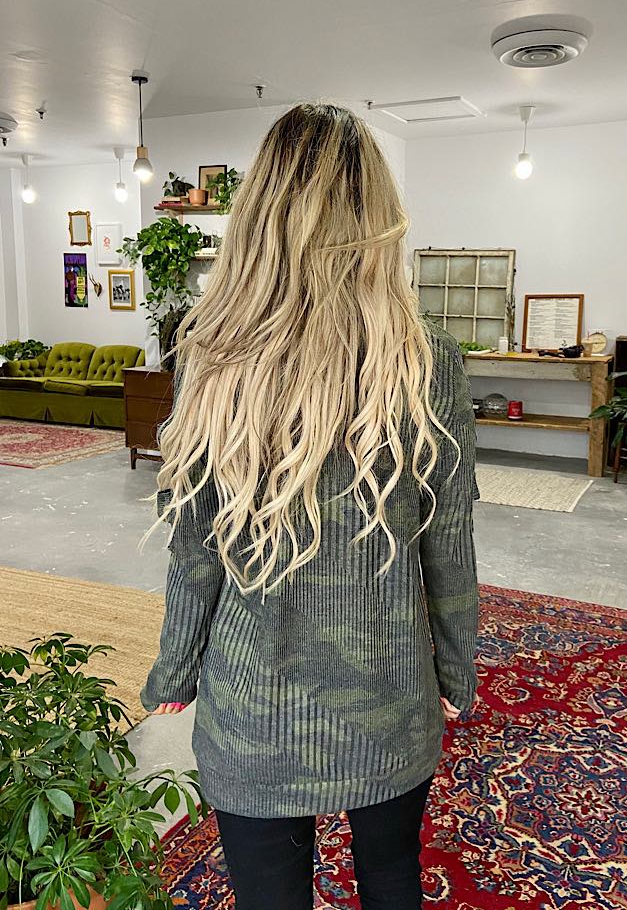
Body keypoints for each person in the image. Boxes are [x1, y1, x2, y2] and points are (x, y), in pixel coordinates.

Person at [141, 103, 479, 910]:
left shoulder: (209, 354)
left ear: (259, 212)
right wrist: (454, 670)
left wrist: (176, 667)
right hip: (387, 693)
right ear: (375, 216)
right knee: (392, 878)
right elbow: (448, 542)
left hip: (251, 704)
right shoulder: (426, 361)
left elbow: (194, 546)